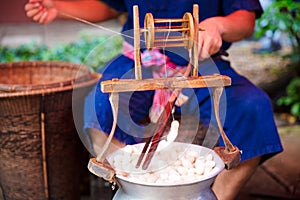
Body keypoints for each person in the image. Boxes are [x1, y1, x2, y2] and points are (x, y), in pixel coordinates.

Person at [25, 0, 283, 199]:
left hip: (203, 63)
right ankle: (137, 191)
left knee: (253, 108)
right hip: (138, 62)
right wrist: (58, 7)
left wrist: (218, 25)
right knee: (100, 105)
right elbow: (110, 4)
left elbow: (245, 19)